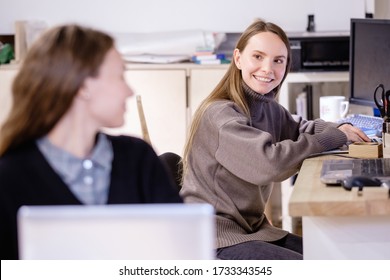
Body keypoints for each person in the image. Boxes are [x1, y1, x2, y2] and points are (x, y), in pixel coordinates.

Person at [180, 19, 370, 260]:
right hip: (214, 239)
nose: (268, 68)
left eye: (278, 60)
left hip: (252, 230)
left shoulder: (266, 106)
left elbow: (301, 128)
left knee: (335, 257)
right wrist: (333, 137)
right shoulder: (221, 115)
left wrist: (340, 127)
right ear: (238, 58)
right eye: (257, 57)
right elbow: (269, 163)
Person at [0, 24, 182, 260]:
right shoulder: (10, 176)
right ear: (84, 86)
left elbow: (179, 251)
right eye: (119, 76)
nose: (128, 90)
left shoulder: (138, 158)